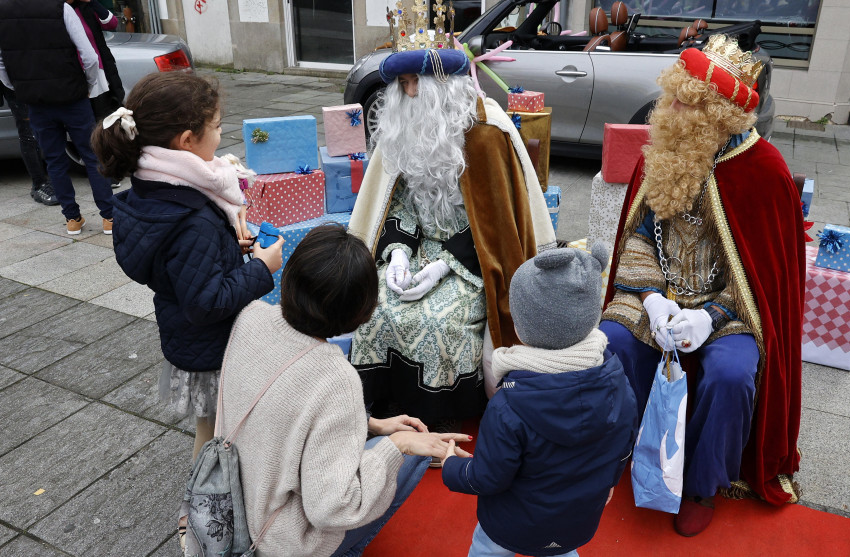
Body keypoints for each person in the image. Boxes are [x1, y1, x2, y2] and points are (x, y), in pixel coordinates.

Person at [599, 34, 804, 536]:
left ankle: (702, 485)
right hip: (659, 293)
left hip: (729, 311)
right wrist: (649, 300)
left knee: (731, 374)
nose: (664, 109)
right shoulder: (662, 153)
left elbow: (765, 282)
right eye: (671, 95)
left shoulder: (765, 171)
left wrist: (706, 317)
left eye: (680, 101)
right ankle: (610, 452)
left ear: (713, 113)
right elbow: (640, 234)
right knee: (612, 343)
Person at [349, 2, 556, 434]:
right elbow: (396, 205)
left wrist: (447, 264)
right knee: (376, 309)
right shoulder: (401, 135)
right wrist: (399, 254)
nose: (406, 95)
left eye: (414, 83)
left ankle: (438, 414)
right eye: (401, 83)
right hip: (418, 251)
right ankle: (382, 405)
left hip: (473, 267)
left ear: (442, 85)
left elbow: (497, 229)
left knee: (438, 321)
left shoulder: (486, 132)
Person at [218, 225, 473, 556]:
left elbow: (282, 407)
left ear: (291, 274)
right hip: (277, 541)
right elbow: (333, 509)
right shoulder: (336, 377)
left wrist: (373, 425)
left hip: (227, 502)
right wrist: (397, 444)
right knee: (415, 450)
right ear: (360, 310)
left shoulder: (250, 316)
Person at [90, 72, 282, 458]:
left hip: (189, 340)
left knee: (211, 431)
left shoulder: (152, 190)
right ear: (187, 141)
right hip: (213, 349)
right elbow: (205, 303)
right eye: (216, 126)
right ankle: (198, 509)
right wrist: (262, 267)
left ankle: (203, 501)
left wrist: (228, 246)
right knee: (217, 439)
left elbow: (183, 268)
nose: (220, 132)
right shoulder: (191, 215)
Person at [441, 242, 638, 557]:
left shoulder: (508, 405)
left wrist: (452, 467)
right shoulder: (620, 385)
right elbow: (622, 449)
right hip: (577, 522)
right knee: (561, 550)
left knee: (487, 550)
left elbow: (488, 478)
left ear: (521, 328)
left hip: (509, 526)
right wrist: (610, 481)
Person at [0, 0, 115, 235]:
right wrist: (89, 85)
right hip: (73, 96)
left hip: (36, 102)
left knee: (54, 161)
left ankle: (72, 219)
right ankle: (109, 217)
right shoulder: (60, 8)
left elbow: (1, 64)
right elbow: (90, 57)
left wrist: (20, 88)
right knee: (92, 156)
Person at [0, 84, 57, 205]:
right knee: (28, 131)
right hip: (16, 82)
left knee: (43, 126)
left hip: (30, 78)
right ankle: (39, 184)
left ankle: (51, 180)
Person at [68, 0, 125, 121]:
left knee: (107, 119)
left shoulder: (85, 7)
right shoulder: (58, 12)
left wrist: (92, 2)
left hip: (99, 74)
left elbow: (112, 23)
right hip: (76, 77)